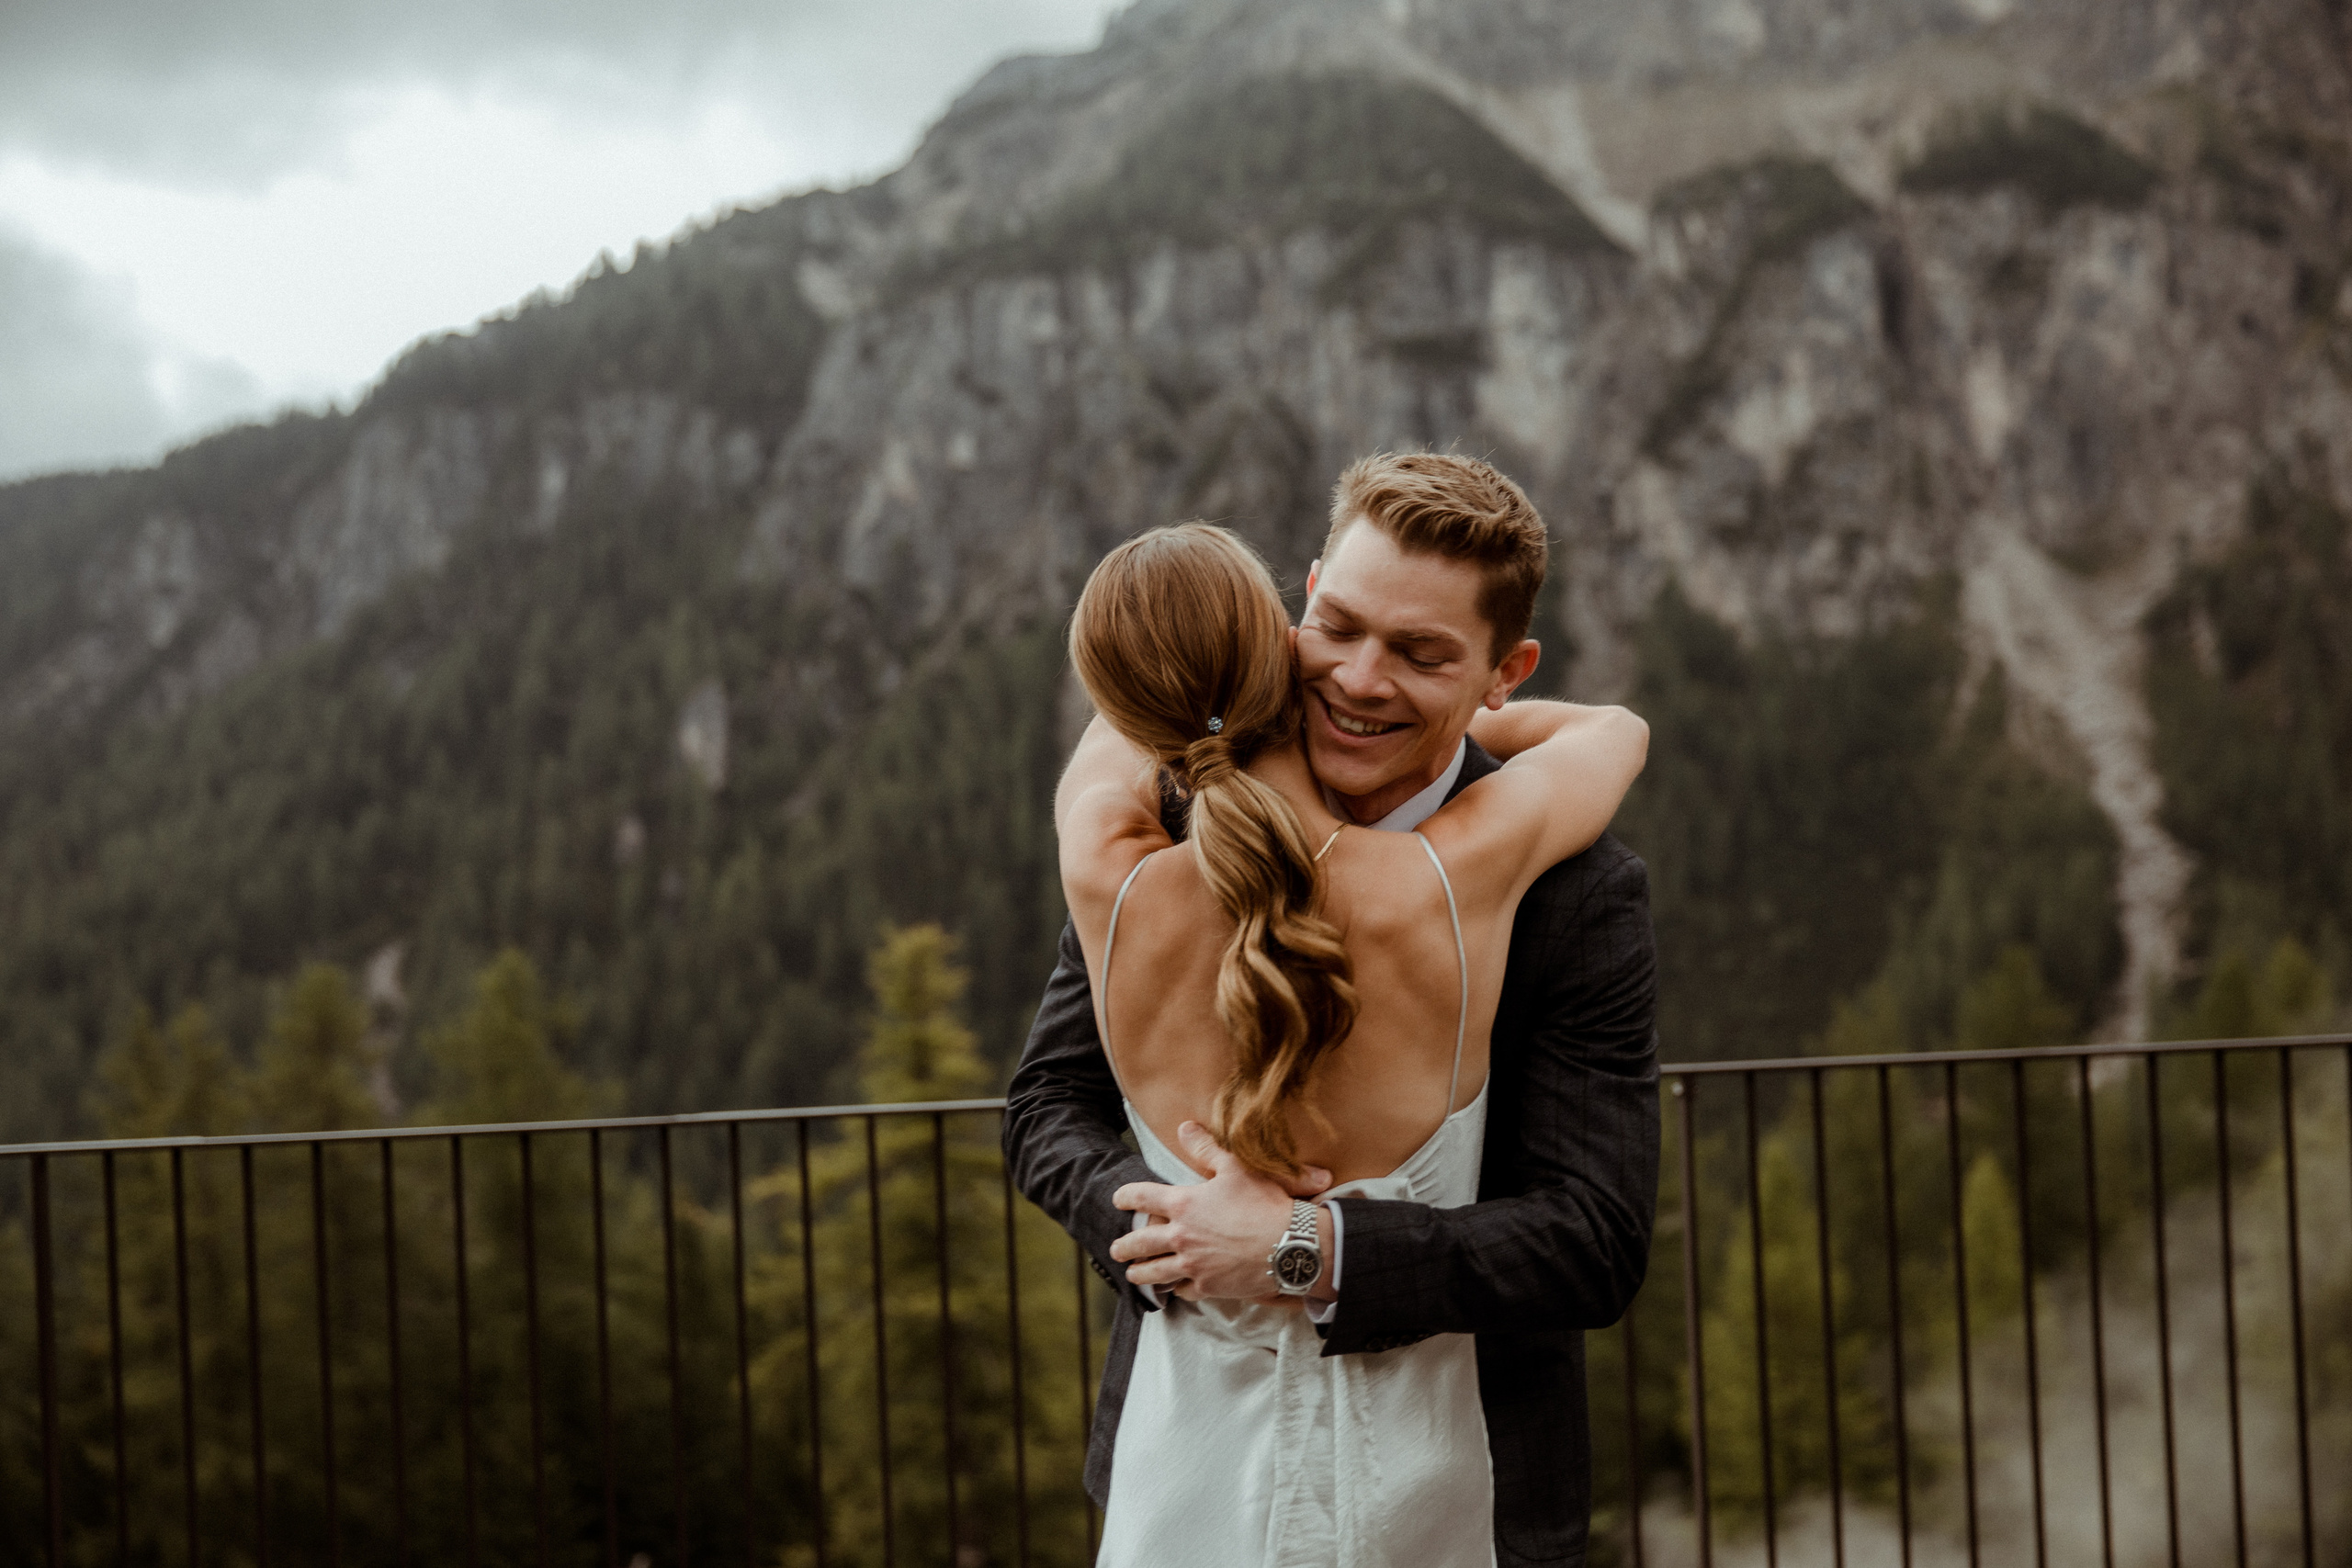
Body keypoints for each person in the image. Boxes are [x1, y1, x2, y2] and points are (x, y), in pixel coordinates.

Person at [1012, 452, 1658, 1567]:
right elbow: (1044, 1106)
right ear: (1297, 607)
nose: (1359, 680)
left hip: (1456, 1486)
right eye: (1338, 628)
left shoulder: (1573, 891)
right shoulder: (1195, 830)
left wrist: (1302, 1249)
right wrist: (1166, 1231)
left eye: (1420, 654)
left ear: (1504, 672)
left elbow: (1592, 1241)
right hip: (1181, 1452)